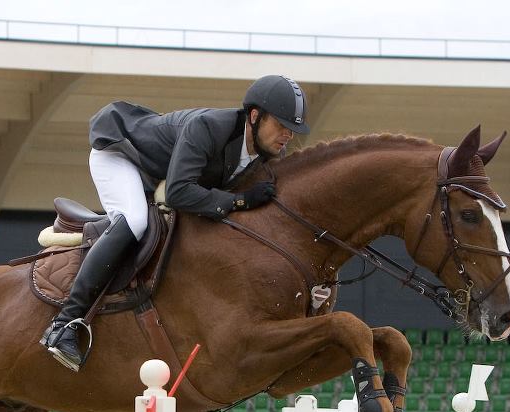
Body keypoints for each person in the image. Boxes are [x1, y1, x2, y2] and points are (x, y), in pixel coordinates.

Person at [41, 74, 310, 371]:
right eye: (282, 125)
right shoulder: (208, 128)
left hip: (157, 171)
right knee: (135, 221)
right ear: (255, 116)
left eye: (293, 129)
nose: (288, 135)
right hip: (121, 154)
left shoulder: (269, 154)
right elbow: (179, 193)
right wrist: (240, 200)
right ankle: (64, 324)